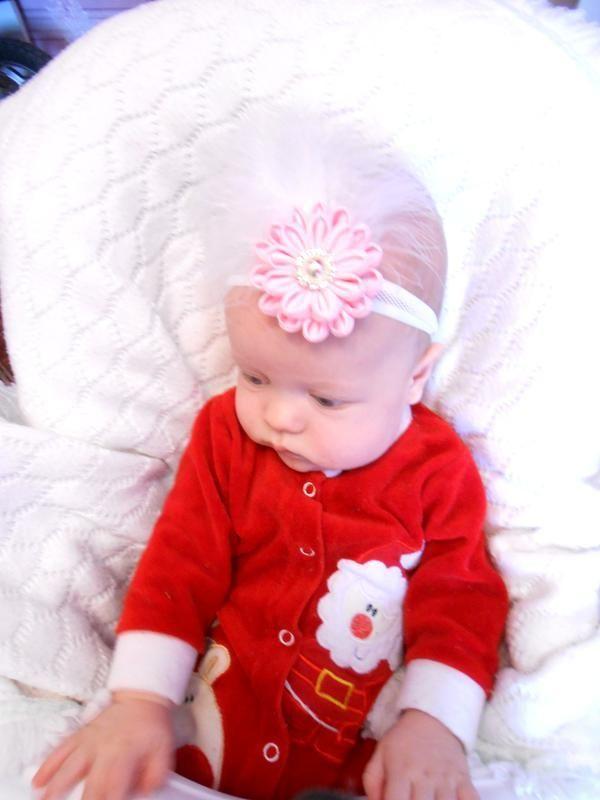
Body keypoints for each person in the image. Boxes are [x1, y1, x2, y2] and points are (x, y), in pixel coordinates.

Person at [32, 142, 508, 800]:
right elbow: (181, 561)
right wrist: (140, 700)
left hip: (359, 752)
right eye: (254, 377)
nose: (279, 417)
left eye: (328, 400)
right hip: (216, 731)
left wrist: (433, 725)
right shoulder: (225, 435)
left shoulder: (437, 470)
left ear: (415, 376)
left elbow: (461, 597)